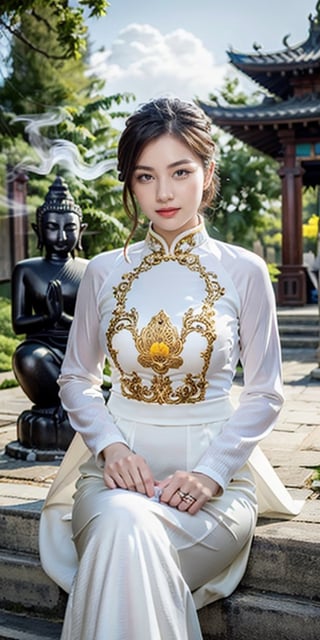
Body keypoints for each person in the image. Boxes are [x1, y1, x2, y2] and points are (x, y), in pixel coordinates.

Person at [39, 97, 302, 640]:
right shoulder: (104, 272)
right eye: (145, 176)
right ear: (129, 183)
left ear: (207, 173)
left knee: (126, 542)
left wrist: (211, 472)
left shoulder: (245, 271)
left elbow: (265, 393)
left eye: (180, 172)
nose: (163, 193)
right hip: (109, 487)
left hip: (217, 492)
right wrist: (111, 448)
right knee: (121, 522)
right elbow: (76, 379)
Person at [11, 175, 87, 449]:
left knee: (85, 368)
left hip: (78, 350)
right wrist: (47, 318)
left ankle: (72, 406)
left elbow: (98, 326)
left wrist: (63, 319)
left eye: (70, 228)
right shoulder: (26, 269)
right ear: (38, 230)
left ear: (82, 230)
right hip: (41, 348)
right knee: (27, 359)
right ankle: (59, 406)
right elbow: (19, 324)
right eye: (52, 228)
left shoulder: (89, 269)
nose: (61, 236)